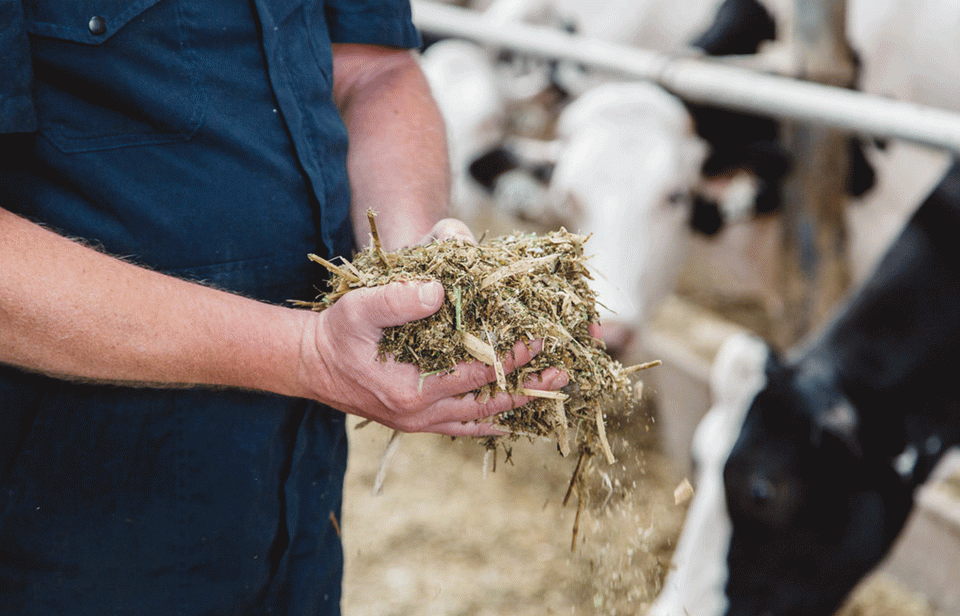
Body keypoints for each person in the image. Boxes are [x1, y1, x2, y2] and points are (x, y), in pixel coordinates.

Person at [0, 1, 567, 613]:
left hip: (292, 497)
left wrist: (417, 277)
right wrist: (305, 353)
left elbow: (374, 72)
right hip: (62, 509)